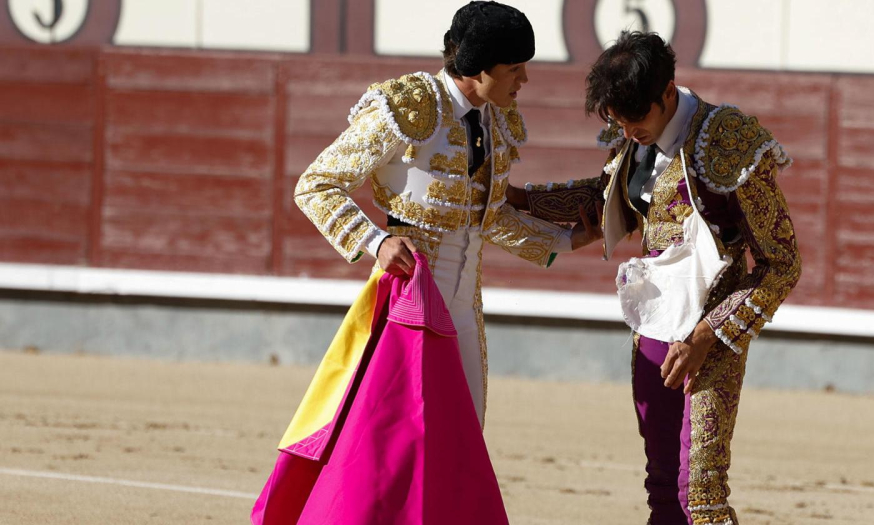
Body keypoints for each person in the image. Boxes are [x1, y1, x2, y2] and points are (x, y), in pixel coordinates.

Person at [252, 3, 589, 523]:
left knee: (461, 439)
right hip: (408, 306)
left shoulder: (498, 118)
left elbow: (486, 216)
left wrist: (565, 243)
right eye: (515, 68)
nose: (524, 78)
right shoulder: (409, 107)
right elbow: (315, 185)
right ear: (480, 69)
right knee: (394, 446)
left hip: (464, 309)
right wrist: (375, 241)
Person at [510, 31, 802, 525]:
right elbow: (600, 198)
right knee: (663, 487)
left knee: (701, 494)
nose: (627, 132)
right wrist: (516, 199)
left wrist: (708, 335)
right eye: (616, 121)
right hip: (654, 324)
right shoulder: (632, 137)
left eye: (636, 118)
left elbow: (783, 262)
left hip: (711, 333)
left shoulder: (726, 140)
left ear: (668, 93)